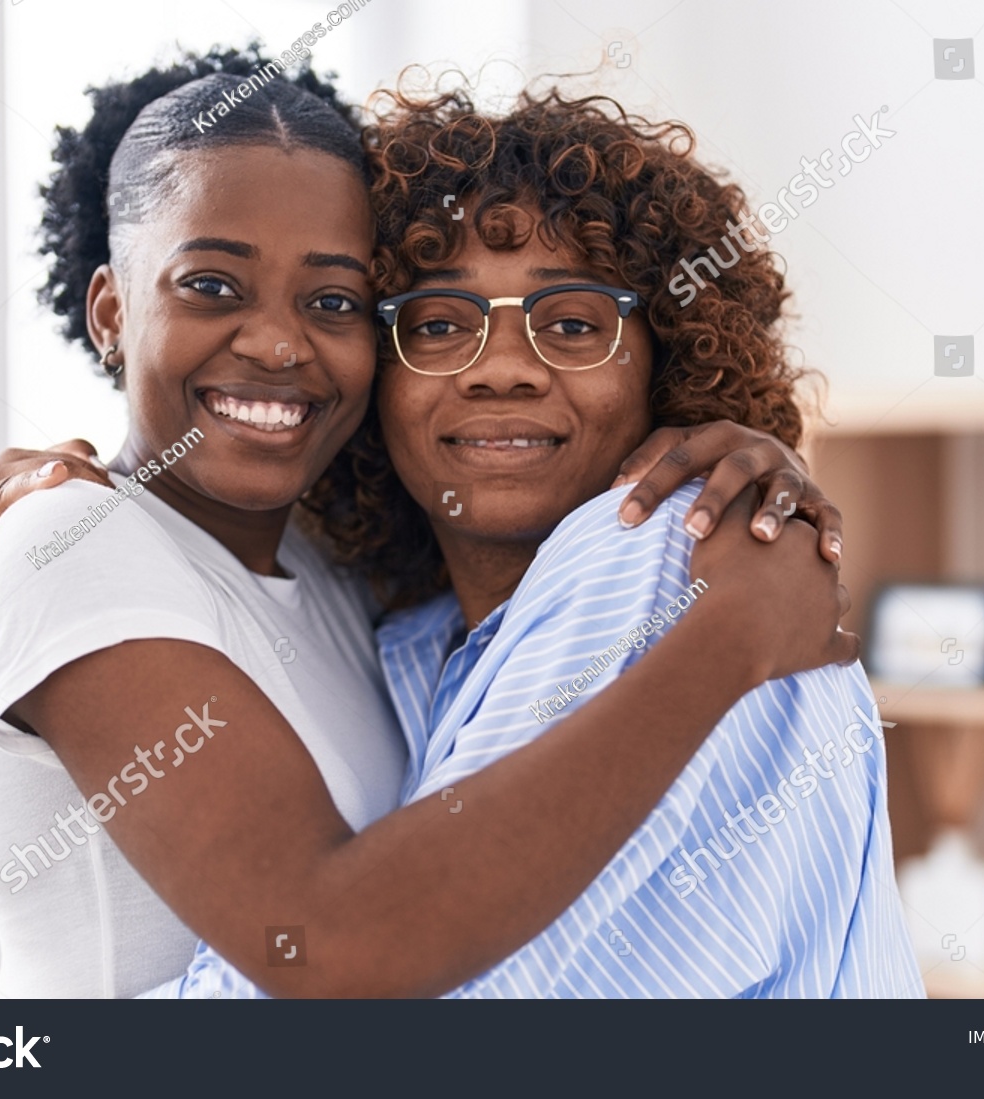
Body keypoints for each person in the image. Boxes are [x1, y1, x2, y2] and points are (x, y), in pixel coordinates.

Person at [0, 47, 856, 999]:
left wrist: (765, 454)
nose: (279, 342)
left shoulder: (345, 584)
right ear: (112, 311)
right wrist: (728, 641)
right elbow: (332, 951)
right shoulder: (64, 543)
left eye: (333, 301)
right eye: (212, 285)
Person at [153, 82, 922, 999]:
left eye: (571, 324)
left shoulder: (649, 557)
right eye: (438, 326)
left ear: (665, 359)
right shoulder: (409, 639)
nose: (504, 370)